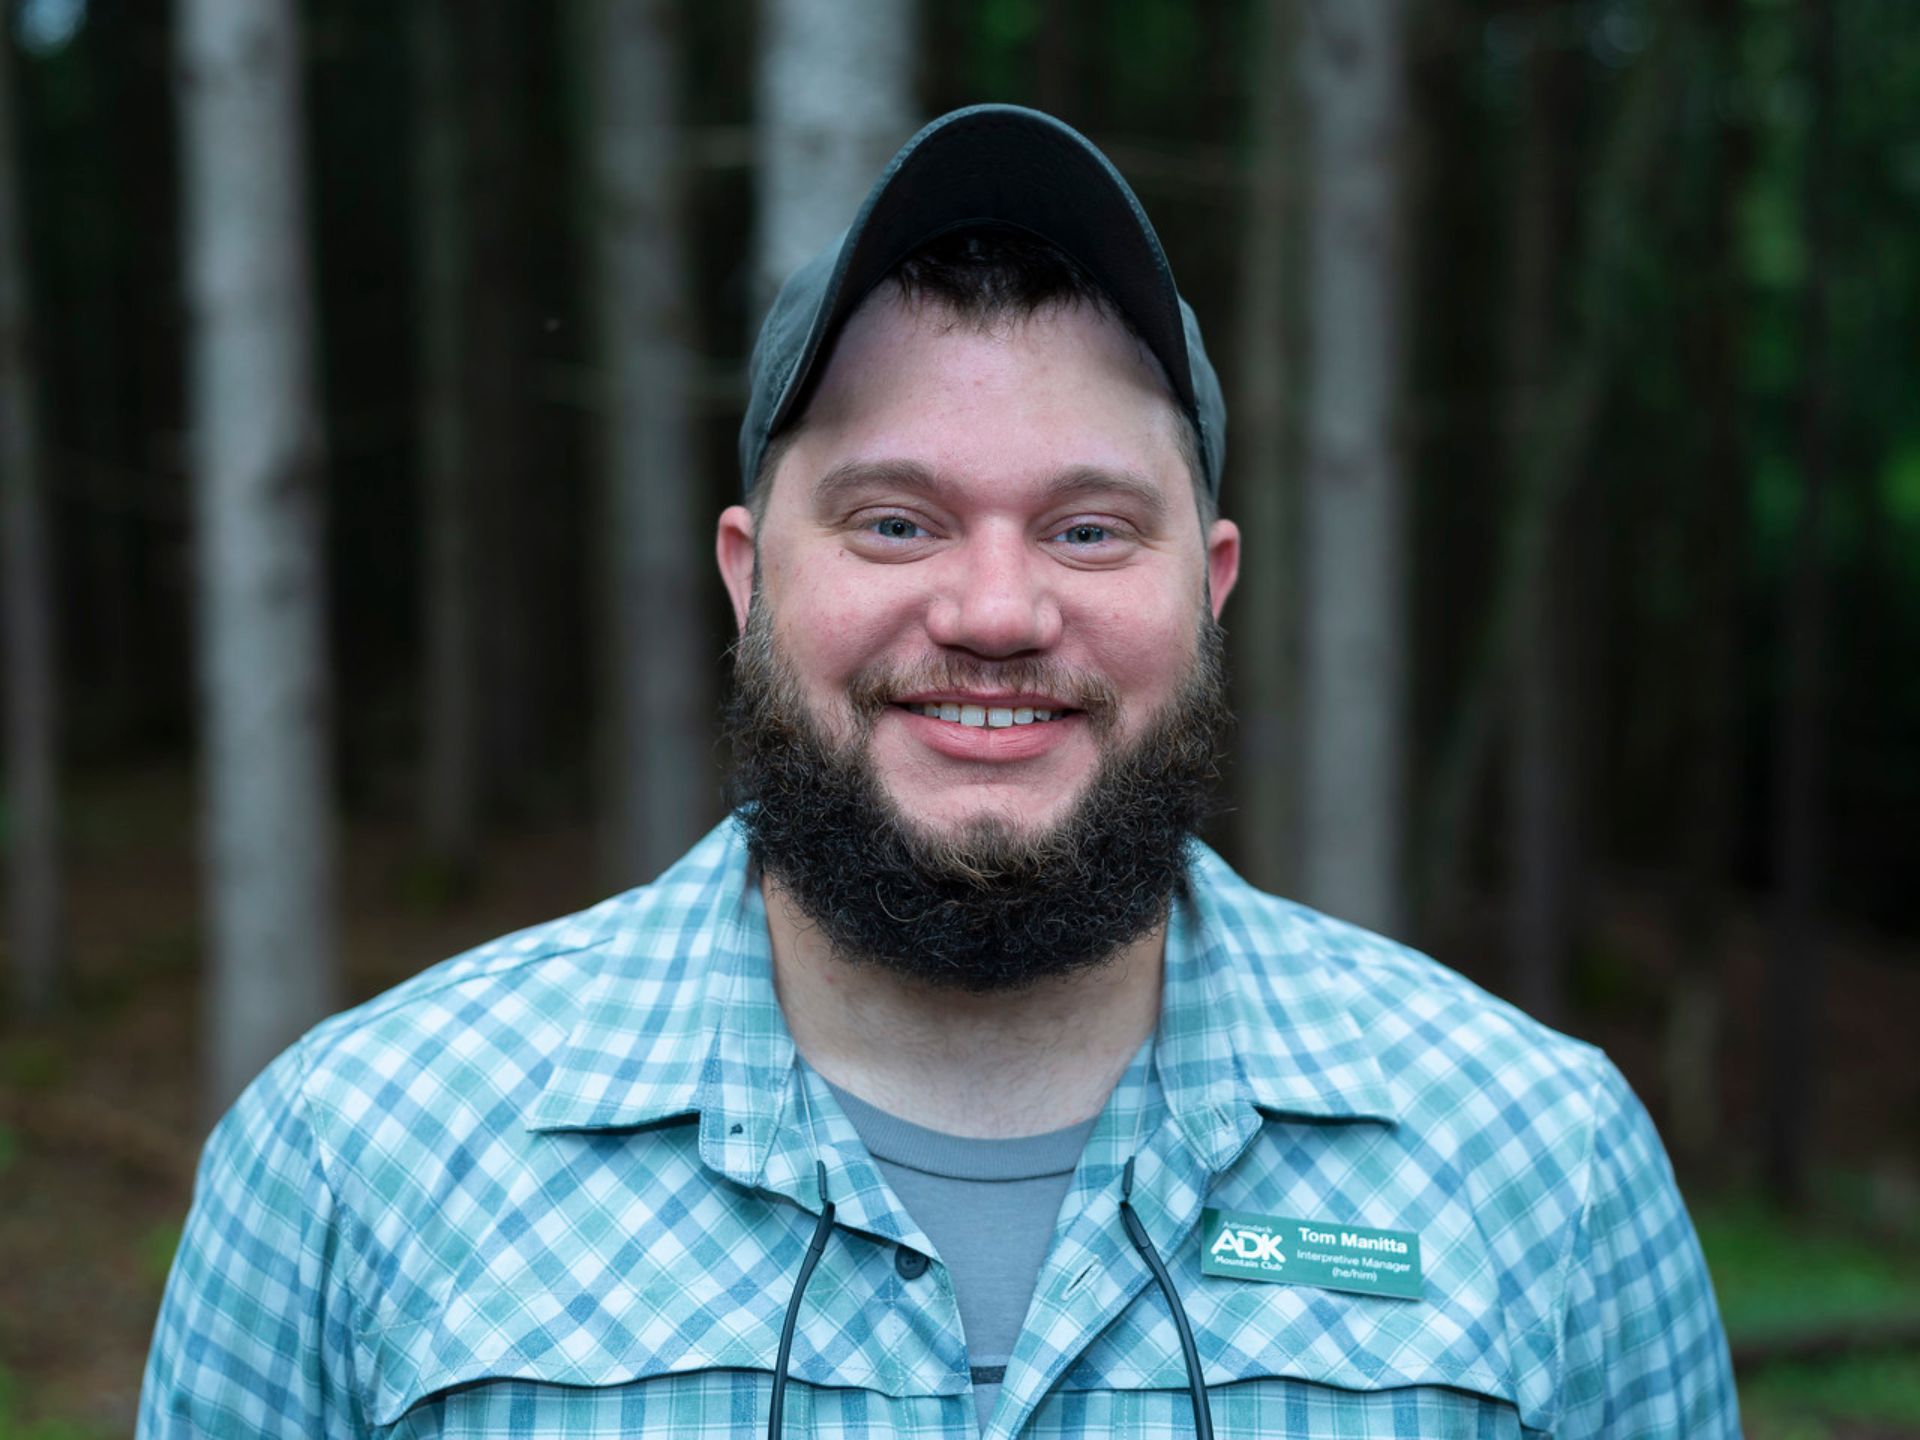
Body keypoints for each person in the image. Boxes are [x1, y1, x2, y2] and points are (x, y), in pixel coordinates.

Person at [140, 104, 1738, 1439]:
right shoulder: (356, 1164)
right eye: (896, 520)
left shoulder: (1542, 1169)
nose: (992, 612)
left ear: (1214, 586)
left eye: (1088, 529)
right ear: (750, 575)